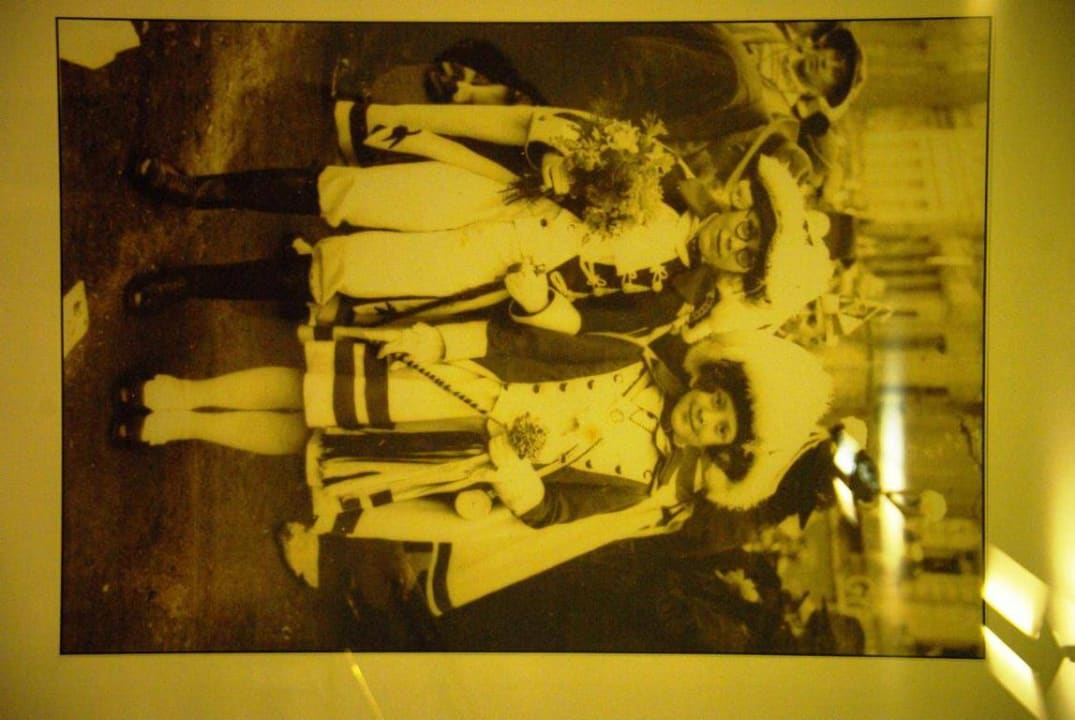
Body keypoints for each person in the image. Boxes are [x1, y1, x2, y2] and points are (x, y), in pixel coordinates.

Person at [111, 330, 834, 614]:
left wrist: (518, 477)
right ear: (710, 381)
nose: (705, 417)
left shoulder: (643, 481)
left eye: (720, 430)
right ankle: (181, 390)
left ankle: (178, 427)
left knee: (312, 445)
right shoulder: (633, 360)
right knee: (316, 393)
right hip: (458, 390)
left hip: (462, 462)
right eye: (716, 402)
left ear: (718, 450)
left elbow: (552, 513)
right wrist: (437, 344)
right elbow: (533, 346)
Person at [127, 151, 834, 339]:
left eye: (749, 257)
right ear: (747, 208)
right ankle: (197, 190)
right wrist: (560, 165)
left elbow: (581, 326)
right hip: (504, 197)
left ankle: (190, 284)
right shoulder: (667, 171)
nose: (738, 241)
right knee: (351, 192)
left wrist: (540, 301)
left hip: (500, 267)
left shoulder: (668, 300)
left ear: (741, 277)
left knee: (347, 269)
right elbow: (571, 135)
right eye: (753, 228)